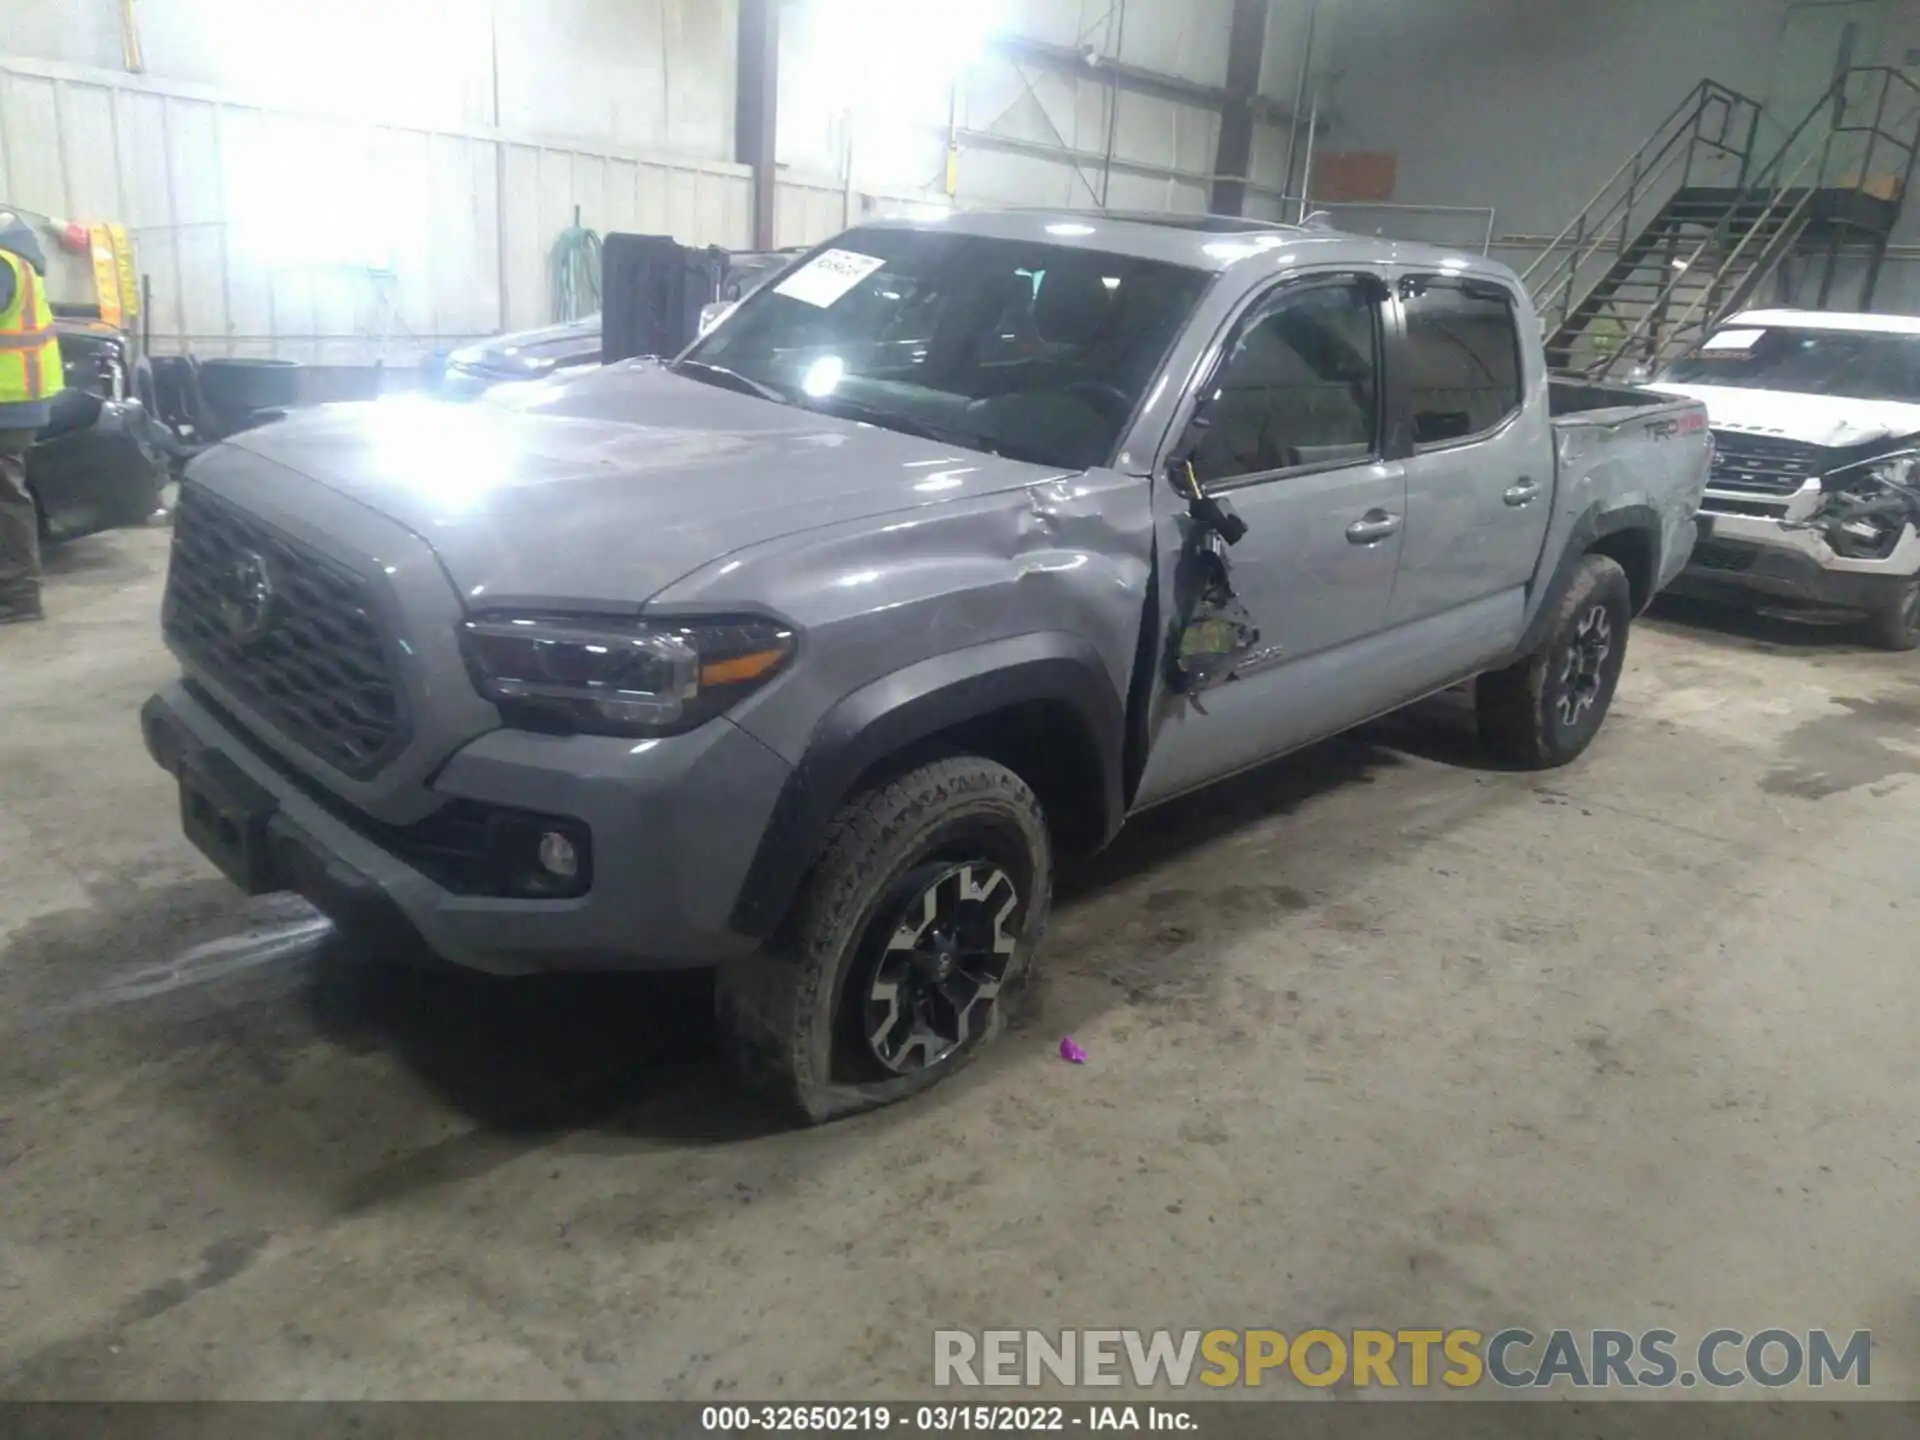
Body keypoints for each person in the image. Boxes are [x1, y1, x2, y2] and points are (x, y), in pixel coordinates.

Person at [0, 210, 63, 624]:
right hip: (18, 400)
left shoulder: (4, 264)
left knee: (5, 500)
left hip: (7, 402)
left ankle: (18, 597)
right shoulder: (21, 260)